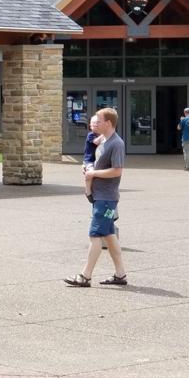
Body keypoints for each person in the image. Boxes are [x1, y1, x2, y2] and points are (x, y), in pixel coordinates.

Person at [65, 107, 128, 288]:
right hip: (101, 196)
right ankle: (120, 274)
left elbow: (117, 170)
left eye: (98, 121)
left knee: (95, 236)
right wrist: (88, 169)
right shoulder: (104, 141)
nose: (94, 124)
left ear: (108, 123)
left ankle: (85, 276)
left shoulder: (116, 144)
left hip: (106, 198)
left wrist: (94, 174)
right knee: (108, 235)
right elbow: (97, 163)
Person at [82, 115, 103, 204]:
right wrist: (104, 134)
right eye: (94, 123)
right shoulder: (91, 135)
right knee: (90, 173)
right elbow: (96, 142)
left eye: (98, 122)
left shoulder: (101, 135)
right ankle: (88, 191)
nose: (96, 125)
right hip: (89, 160)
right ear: (90, 126)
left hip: (97, 160)